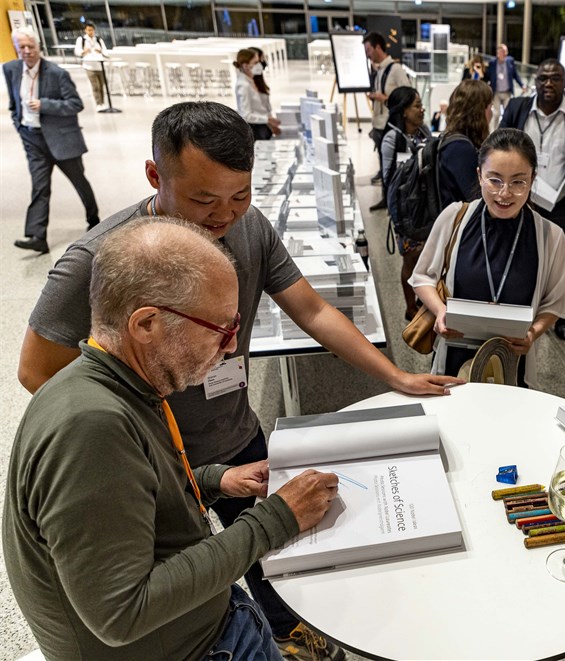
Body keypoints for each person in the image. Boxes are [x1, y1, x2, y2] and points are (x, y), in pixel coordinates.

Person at [17, 100, 462, 658]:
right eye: (204, 200)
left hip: (225, 443)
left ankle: (292, 632)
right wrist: (138, 424)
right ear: (156, 176)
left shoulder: (247, 227)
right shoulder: (101, 261)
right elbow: (40, 371)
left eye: (240, 196)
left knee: (266, 559)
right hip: (158, 460)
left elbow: (312, 309)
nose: (225, 215)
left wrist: (397, 376)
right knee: (210, 551)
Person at [4, 218, 342, 660]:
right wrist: (277, 519)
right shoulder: (89, 427)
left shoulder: (116, 385)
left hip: (206, 629)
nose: (231, 346)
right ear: (147, 324)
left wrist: (213, 480)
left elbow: (133, 498)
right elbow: (121, 612)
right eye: (220, 328)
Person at [410, 128, 565, 387]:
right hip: (454, 355)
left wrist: (533, 334)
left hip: (512, 362)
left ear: (532, 179)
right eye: (494, 180)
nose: (505, 193)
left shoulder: (550, 236)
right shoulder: (454, 218)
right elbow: (422, 277)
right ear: (479, 175)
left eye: (518, 182)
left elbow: (555, 303)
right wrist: (440, 312)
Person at [500, 58, 565, 340]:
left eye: (555, 78)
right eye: (543, 78)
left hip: (563, 204)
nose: (548, 83)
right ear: (534, 82)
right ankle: (522, 310)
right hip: (522, 203)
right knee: (519, 257)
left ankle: (560, 316)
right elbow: (498, 144)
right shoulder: (517, 108)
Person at [4, 27, 100, 254]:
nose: (26, 51)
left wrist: (45, 104)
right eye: (22, 47)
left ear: (38, 47)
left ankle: (94, 219)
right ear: (16, 48)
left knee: (79, 181)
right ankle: (37, 235)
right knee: (39, 187)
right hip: (32, 138)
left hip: (61, 140)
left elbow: (76, 104)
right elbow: (13, 104)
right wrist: (20, 125)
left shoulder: (56, 73)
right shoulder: (10, 70)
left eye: (31, 47)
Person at [381, 87, 431, 321]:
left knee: (427, 256)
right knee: (410, 260)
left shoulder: (424, 131)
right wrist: (397, 218)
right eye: (416, 105)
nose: (421, 109)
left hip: (426, 210)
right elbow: (388, 180)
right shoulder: (392, 139)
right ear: (403, 111)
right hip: (406, 213)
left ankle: (425, 298)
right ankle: (410, 307)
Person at [364, 31, 412, 209]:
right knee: (383, 164)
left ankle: (393, 201)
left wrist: (383, 98)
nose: (367, 54)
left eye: (369, 49)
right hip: (379, 124)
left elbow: (408, 95)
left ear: (378, 47)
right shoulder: (380, 70)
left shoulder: (396, 70)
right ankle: (387, 198)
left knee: (391, 166)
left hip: (389, 125)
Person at [438, 79, 493, 208]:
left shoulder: (452, 139)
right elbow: (476, 198)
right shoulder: (460, 149)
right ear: (480, 111)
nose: (492, 112)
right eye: (490, 106)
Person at [233, 48, 280, 141]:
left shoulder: (252, 81)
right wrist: (267, 119)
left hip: (263, 127)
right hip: (255, 130)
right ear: (246, 66)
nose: (259, 65)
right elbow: (245, 115)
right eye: (255, 62)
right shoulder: (243, 85)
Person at [73, 22, 107, 108]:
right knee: (95, 85)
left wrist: (100, 51)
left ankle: (102, 103)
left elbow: (105, 51)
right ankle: (98, 104)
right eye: (88, 30)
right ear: (85, 30)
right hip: (89, 66)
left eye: (92, 30)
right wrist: (84, 51)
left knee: (101, 86)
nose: (90, 32)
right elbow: (77, 51)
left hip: (99, 65)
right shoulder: (81, 40)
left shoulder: (98, 39)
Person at [486, 43, 526, 116]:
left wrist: (522, 85)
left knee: (508, 113)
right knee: (496, 114)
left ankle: (506, 127)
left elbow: (515, 75)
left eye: (505, 52)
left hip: (507, 92)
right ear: (498, 53)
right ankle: (496, 127)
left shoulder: (510, 61)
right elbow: (488, 76)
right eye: (502, 52)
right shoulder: (492, 63)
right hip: (496, 92)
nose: (504, 54)